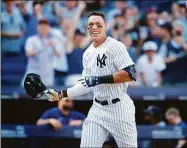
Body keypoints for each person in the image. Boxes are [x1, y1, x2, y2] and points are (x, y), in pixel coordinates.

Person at [44, 12, 137, 147]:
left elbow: (130, 74)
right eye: (91, 25)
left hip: (119, 106)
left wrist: (98, 79)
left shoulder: (115, 46)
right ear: (87, 29)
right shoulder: (87, 53)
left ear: (105, 26)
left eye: (98, 25)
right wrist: (60, 94)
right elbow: (85, 84)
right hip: (98, 107)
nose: (94, 28)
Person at [21, 19, 61, 87]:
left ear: (49, 28)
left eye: (45, 27)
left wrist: (54, 46)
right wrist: (44, 46)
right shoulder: (31, 39)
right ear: (38, 28)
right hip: (33, 73)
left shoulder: (54, 40)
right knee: (27, 95)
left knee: (47, 96)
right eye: (41, 27)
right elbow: (28, 54)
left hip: (47, 75)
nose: (43, 29)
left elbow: (58, 55)